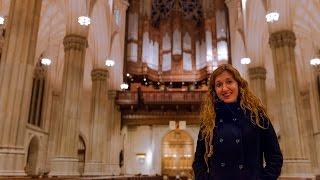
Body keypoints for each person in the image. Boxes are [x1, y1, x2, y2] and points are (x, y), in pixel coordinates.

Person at [192, 64, 283, 180]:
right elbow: (199, 160)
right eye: (219, 85)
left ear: (239, 84)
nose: (224, 88)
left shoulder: (257, 116)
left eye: (229, 82)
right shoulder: (209, 121)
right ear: (214, 90)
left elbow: (274, 156)